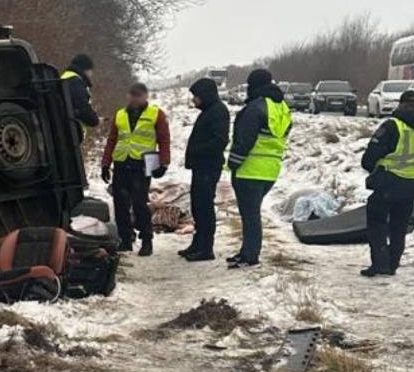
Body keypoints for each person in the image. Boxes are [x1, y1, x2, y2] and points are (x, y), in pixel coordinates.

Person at [359, 89, 414, 277]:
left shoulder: (393, 125)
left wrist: (372, 168)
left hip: (388, 180)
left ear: (400, 105)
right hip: (412, 184)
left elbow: (371, 154)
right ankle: (393, 264)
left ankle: (380, 264)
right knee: (399, 226)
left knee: (377, 222)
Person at [226, 68, 291, 269]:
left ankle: (250, 256)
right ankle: (247, 251)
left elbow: (244, 139)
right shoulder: (282, 108)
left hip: (249, 169)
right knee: (252, 214)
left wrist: (233, 162)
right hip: (270, 169)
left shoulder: (255, 108)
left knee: (250, 215)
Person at [101, 82, 171, 256]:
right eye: (132, 95)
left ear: (145, 96)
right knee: (121, 204)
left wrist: (163, 163)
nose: (134, 99)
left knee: (140, 203)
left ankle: (146, 240)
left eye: (138, 96)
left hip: (142, 164)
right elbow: (112, 140)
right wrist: (105, 163)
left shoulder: (156, 114)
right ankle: (125, 239)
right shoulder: (120, 115)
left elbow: (164, 140)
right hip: (122, 163)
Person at [179, 76, 230, 261]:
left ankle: (206, 248)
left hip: (209, 167)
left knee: (205, 207)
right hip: (201, 167)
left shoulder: (218, 112)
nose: (194, 100)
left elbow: (220, 141)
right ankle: (198, 243)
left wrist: (198, 151)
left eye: (196, 96)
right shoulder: (209, 111)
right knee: (197, 206)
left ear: (205, 95)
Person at [60, 54, 101, 139]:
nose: (91, 74)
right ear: (86, 69)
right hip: (71, 133)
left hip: (61, 129)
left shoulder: (63, 77)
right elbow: (83, 108)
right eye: (91, 71)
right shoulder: (76, 82)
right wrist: (95, 120)